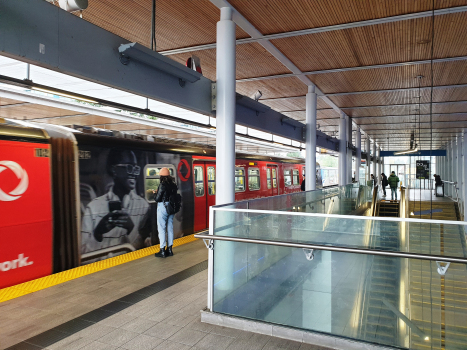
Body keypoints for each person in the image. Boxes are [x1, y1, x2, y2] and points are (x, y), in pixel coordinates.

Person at [81, 149, 150, 255]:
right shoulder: (93, 207)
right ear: (114, 170)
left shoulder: (143, 206)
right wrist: (98, 233)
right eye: (129, 168)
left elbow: (147, 248)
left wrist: (131, 229)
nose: (134, 174)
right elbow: (82, 255)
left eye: (136, 169)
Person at [154, 167, 178, 258]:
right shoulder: (173, 184)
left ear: (161, 176)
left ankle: (162, 251)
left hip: (163, 207)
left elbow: (158, 199)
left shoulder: (162, 185)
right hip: (171, 207)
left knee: (161, 229)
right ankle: (170, 250)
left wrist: (154, 194)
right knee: (170, 228)